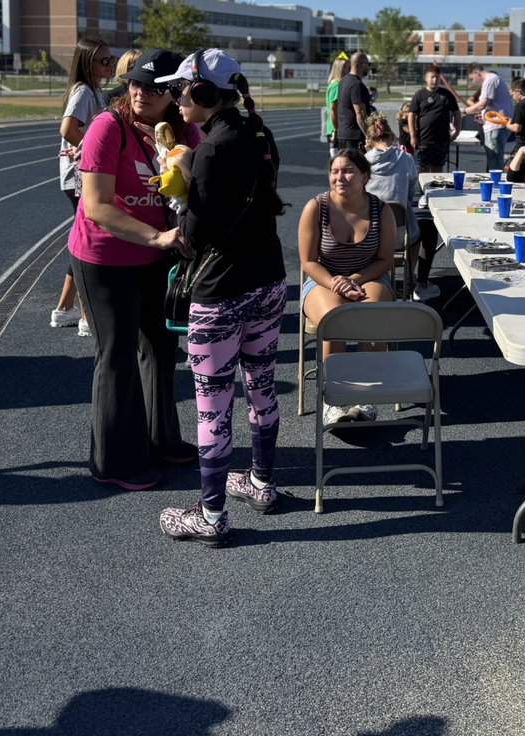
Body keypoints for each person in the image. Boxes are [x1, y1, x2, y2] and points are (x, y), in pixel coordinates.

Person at [153, 49, 287, 547]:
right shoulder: (259, 132)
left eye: (181, 90)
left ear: (205, 93)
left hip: (221, 291)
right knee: (262, 388)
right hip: (269, 280)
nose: (174, 98)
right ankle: (261, 483)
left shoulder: (208, 151)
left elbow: (190, 235)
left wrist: (180, 180)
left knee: (212, 408)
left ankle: (210, 516)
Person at [69, 49, 199, 490]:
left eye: (155, 87)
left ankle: (161, 439)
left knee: (160, 350)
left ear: (174, 92)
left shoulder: (181, 133)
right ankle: (113, 462)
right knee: (117, 354)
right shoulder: (108, 127)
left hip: (152, 260)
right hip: (103, 258)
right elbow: (97, 206)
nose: (141, 93)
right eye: (136, 83)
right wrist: (158, 237)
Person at [298, 147, 395, 427]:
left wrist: (354, 279)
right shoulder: (316, 207)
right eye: (335, 171)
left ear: (364, 176)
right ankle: (334, 400)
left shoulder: (381, 210)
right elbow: (307, 262)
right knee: (335, 319)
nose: (340, 177)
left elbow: (384, 260)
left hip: (369, 276)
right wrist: (335, 282)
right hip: (322, 279)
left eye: (348, 170)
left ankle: (365, 396)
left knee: (371, 316)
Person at [51, 37, 114, 333]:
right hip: (79, 178)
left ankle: (65, 310)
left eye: (110, 60)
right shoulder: (84, 92)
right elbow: (68, 127)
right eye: (103, 61)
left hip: (85, 175)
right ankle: (87, 316)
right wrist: (90, 149)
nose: (109, 65)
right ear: (86, 62)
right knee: (89, 244)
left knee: (85, 242)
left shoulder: (95, 91)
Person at [363, 112, 437, 301]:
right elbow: (410, 192)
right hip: (401, 232)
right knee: (427, 228)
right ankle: (416, 280)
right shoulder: (405, 159)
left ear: (369, 140)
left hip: (369, 234)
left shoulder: (362, 163)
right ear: (391, 135)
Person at [408, 65, 461, 173]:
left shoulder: (446, 95)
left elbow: (457, 113)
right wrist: (413, 135)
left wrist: (457, 130)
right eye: (432, 77)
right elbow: (411, 115)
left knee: (437, 169)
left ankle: (437, 190)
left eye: (437, 77)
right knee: (423, 169)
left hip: (441, 140)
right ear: (426, 78)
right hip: (424, 140)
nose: (435, 80)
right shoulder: (419, 95)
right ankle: (424, 190)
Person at [462, 62, 513, 171]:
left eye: (472, 79)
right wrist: (483, 115)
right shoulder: (493, 79)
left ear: (477, 73)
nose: (473, 82)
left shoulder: (490, 80)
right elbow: (488, 105)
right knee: (493, 159)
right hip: (496, 124)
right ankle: (493, 183)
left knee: (494, 161)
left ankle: (495, 185)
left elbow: (482, 104)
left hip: (495, 126)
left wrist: (464, 111)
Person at [335, 51, 372, 151]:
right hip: (354, 138)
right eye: (368, 64)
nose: (368, 68)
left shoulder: (343, 81)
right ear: (362, 64)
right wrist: (369, 135)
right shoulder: (357, 85)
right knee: (358, 166)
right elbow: (360, 113)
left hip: (342, 135)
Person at [324, 54, 348, 158]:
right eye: (347, 67)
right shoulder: (336, 85)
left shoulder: (339, 84)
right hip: (335, 129)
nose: (349, 69)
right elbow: (332, 109)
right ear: (340, 69)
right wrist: (335, 130)